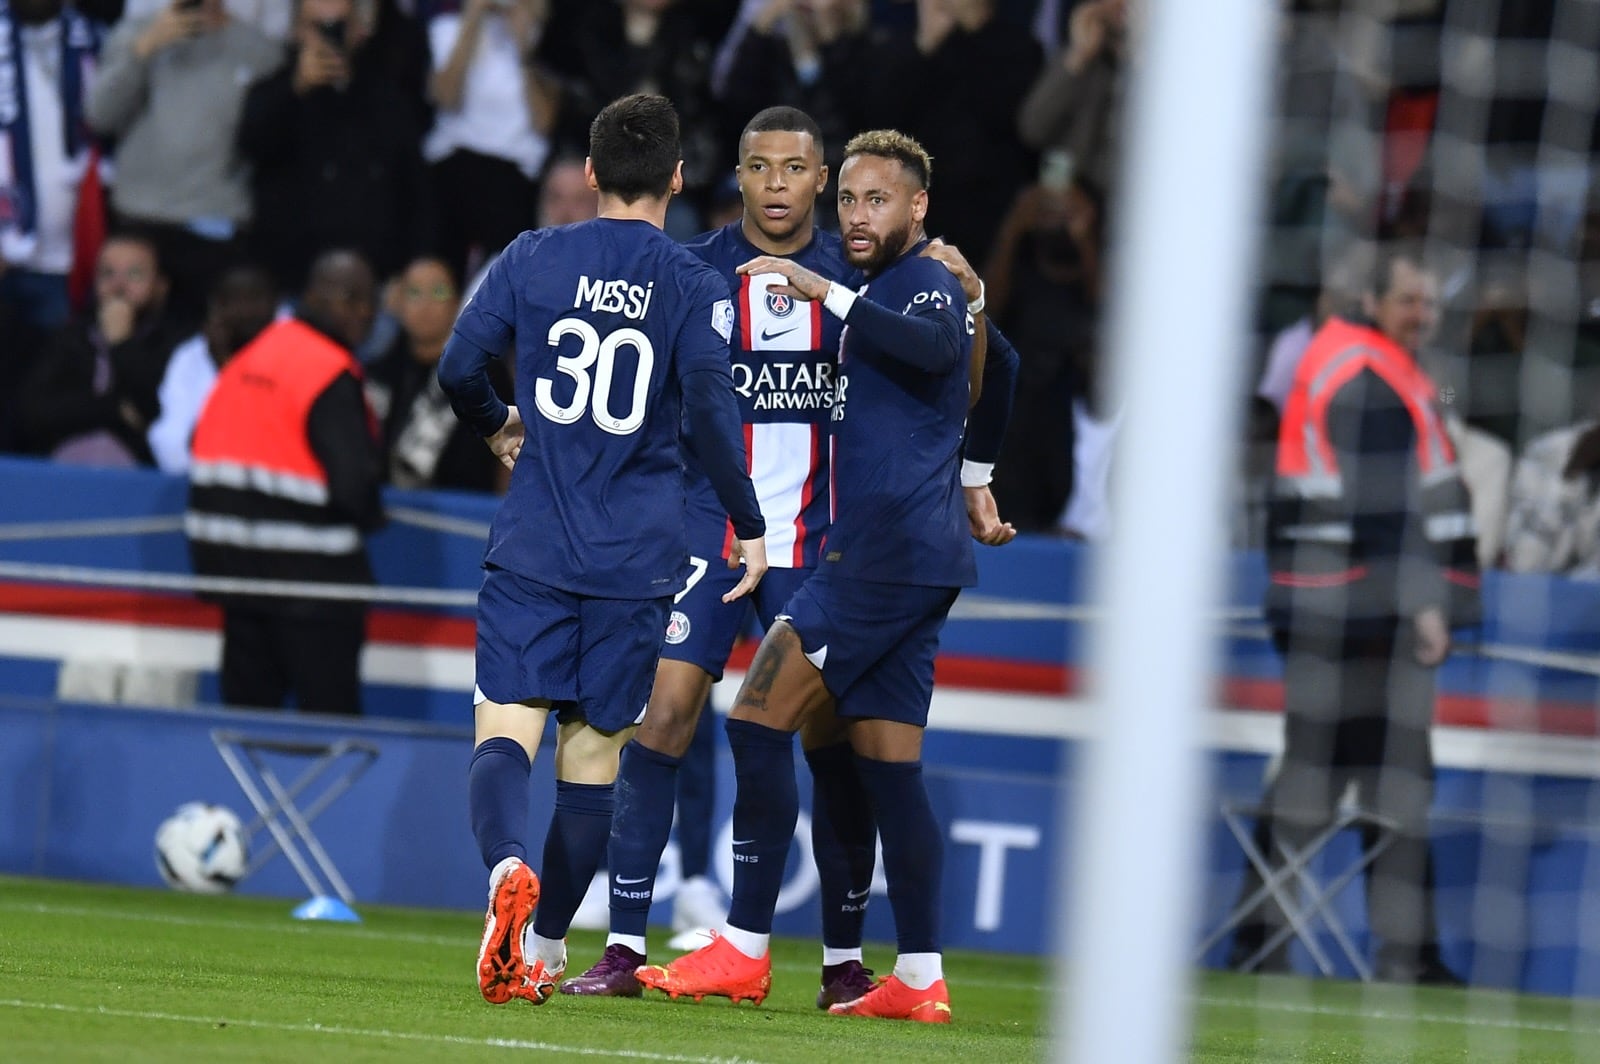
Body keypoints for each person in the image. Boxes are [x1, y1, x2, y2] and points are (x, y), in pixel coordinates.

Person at [635, 129, 1018, 1022]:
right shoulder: (909, 287)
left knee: (757, 717)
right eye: (847, 198)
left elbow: (935, 353)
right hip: (914, 559)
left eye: (875, 199)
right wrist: (975, 479)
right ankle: (920, 978)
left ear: (917, 207)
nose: (855, 214)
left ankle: (743, 950)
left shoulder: (919, 281)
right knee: (890, 771)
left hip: (875, 560)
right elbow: (1000, 364)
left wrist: (829, 293)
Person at [435, 92, 768, 1008]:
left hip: (536, 544)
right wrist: (748, 518)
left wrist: (499, 422)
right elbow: (708, 412)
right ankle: (542, 949)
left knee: (505, 732)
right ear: (676, 177)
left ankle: (506, 865)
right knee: (591, 768)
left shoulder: (535, 256)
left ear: (587, 173)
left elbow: (457, 366)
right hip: (635, 564)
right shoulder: (699, 284)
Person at [1248, 244, 1479, 985]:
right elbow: (1386, 505)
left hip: (1331, 603)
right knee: (1385, 775)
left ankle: (1264, 939)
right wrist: (1426, 606)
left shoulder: (1345, 360)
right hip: (1356, 608)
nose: (1426, 316)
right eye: (1412, 300)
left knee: (1337, 772)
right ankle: (1403, 956)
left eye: (1431, 302)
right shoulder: (1367, 372)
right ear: (1373, 302)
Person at [185, 248, 384, 715]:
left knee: (248, 729)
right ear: (313, 295)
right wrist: (374, 513)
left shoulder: (253, 355)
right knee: (332, 730)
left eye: (369, 300)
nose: (363, 311)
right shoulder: (326, 369)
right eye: (350, 298)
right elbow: (354, 487)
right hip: (312, 585)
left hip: (234, 574)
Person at [84, 0, 282, 328]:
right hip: (139, 222)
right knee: (125, 340)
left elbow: (270, 145)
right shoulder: (135, 34)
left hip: (213, 228)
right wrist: (143, 50)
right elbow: (100, 116)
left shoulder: (259, 51)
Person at [19, 231, 186, 466]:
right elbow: (35, 413)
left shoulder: (179, 347)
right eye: (108, 273)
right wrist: (114, 409)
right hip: (60, 471)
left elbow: (156, 413)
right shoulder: (69, 339)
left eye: (134, 274)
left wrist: (122, 344)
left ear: (160, 285)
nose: (118, 285)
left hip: (143, 480)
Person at [365, 255, 508, 492]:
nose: (426, 304)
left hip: (465, 514)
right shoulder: (378, 373)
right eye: (414, 293)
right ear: (398, 303)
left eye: (439, 292)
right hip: (388, 511)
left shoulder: (485, 372)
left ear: (456, 302)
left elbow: (508, 451)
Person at [148, 263, 279, 474]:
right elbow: (172, 442)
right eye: (233, 300)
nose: (245, 310)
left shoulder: (294, 350)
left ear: (275, 304)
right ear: (216, 306)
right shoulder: (190, 356)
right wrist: (221, 367)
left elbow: (266, 434)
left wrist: (227, 368)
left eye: (254, 299)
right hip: (206, 483)